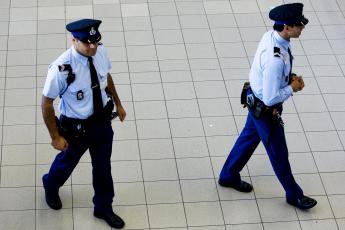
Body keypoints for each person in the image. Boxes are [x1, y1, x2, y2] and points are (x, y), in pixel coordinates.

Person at [218, 3, 317, 210]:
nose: (303, 27)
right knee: (279, 154)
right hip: (266, 111)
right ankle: (294, 195)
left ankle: (228, 175)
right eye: (299, 25)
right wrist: (292, 88)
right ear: (287, 28)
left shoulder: (271, 37)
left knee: (247, 140)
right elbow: (272, 98)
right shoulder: (275, 61)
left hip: (255, 101)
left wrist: (287, 78)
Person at [41, 19, 126, 228]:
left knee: (103, 168)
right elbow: (46, 104)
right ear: (74, 40)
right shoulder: (61, 68)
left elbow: (106, 77)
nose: (92, 47)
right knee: (66, 163)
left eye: (96, 42)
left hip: (102, 124)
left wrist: (118, 103)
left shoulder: (99, 52)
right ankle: (50, 185)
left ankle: (103, 207)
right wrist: (55, 137)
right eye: (87, 43)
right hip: (75, 128)